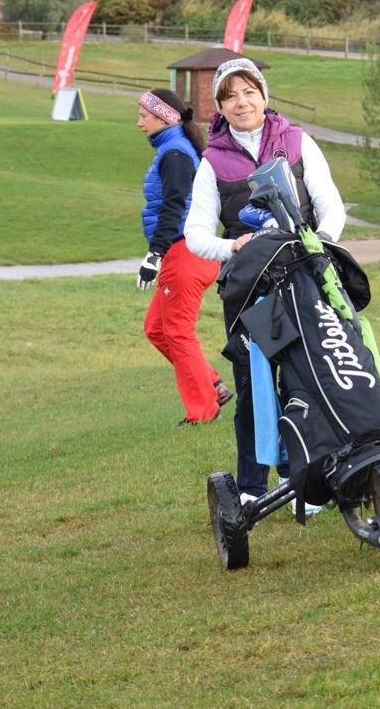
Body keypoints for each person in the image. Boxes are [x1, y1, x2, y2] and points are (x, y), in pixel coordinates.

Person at [185, 58, 346, 500]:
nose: (242, 102)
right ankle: (253, 489)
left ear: (263, 95)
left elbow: (330, 206)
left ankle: (317, 480)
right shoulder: (211, 161)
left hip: (306, 273)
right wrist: (231, 247)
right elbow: (195, 235)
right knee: (253, 384)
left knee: (314, 375)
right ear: (220, 106)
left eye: (249, 91)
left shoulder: (297, 142)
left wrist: (321, 242)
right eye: (230, 96)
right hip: (249, 286)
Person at [135, 88, 233, 427]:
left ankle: (203, 411)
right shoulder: (173, 148)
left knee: (177, 332)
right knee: (156, 329)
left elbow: (174, 208)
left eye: (144, 117)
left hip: (184, 254)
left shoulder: (175, 153)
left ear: (164, 118)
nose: (139, 123)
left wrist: (154, 254)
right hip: (184, 254)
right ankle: (212, 385)